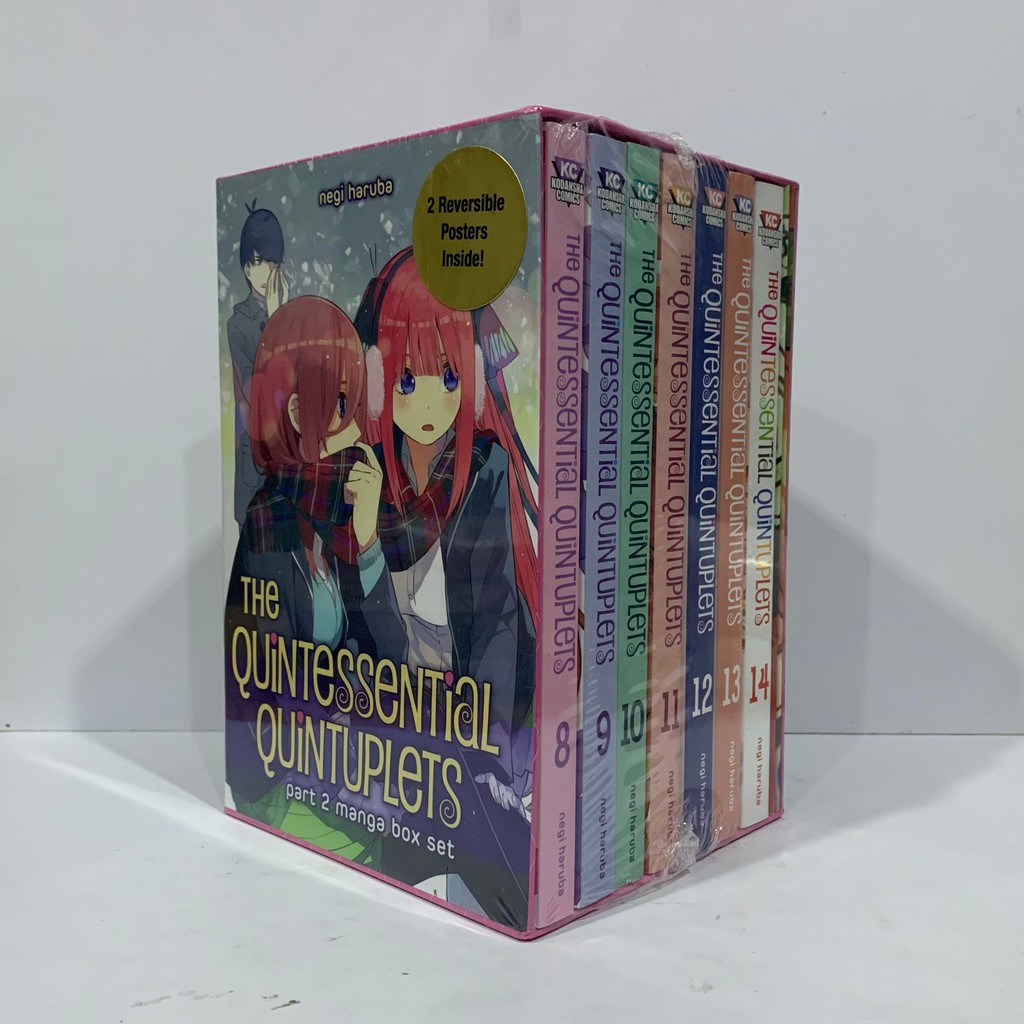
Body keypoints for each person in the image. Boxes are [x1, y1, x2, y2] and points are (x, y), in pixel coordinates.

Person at [355, 248, 539, 927]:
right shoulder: (372, 476)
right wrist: (366, 545)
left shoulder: (482, 468)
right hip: (404, 735)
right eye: (408, 380)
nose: (429, 404)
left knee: (501, 875)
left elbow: (498, 623)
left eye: (448, 376)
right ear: (382, 380)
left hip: (477, 734)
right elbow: (369, 646)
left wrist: (484, 746)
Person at [224, 295, 406, 868]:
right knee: (376, 841)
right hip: (280, 780)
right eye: (340, 405)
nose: (355, 430)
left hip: (337, 761)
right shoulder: (269, 519)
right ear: (300, 410)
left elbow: (392, 655)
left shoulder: (331, 513)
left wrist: (368, 540)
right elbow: (276, 679)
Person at [227, 201, 290, 524]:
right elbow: (258, 393)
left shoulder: (293, 317)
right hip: (255, 468)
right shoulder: (238, 325)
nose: (264, 272)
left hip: (288, 464)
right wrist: (277, 320)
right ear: (246, 267)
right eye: (256, 262)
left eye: (271, 261)